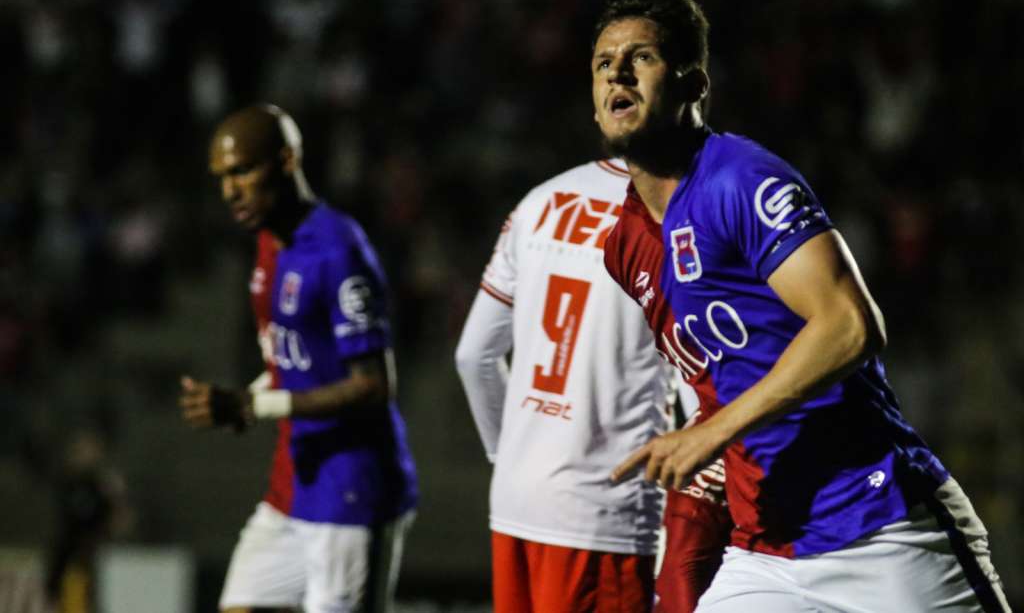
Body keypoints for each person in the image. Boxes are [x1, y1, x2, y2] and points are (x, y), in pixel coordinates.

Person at [594, 0, 1010, 612]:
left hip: (882, 527)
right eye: (603, 63)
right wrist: (707, 447)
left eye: (641, 57)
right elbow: (723, 375)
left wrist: (713, 434)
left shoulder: (739, 179)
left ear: (693, 85)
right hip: (767, 552)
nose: (617, 72)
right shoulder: (624, 247)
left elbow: (850, 325)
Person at [454, 158, 730, 613]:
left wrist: (509, 458)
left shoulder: (540, 200)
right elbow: (705, 388)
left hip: (515, 501)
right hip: (603, 509)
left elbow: (473, 356)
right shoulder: (683, 215)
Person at [179, 104, 418, 613]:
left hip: (351, 491)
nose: (230, 191)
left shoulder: (338, 250)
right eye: (222, 178)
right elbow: (297, 362)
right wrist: (245, 399)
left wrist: (256, 405)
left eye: (243, 172)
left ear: (287, 161)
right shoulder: (270, 241)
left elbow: (373, 386)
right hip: (292, 484)